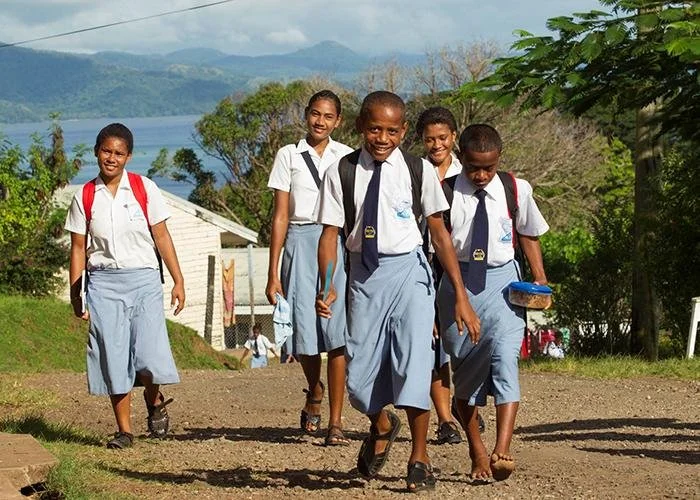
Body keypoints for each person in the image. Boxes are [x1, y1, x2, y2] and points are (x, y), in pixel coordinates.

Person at [316, 91, 479, 492]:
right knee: (359, 384)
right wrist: (328, 284)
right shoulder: (341, 172)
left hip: (410, 272)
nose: (383, 138)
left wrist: (458, 292)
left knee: (413, 365)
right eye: (375, 129)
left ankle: (419, 457)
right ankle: (383, 424)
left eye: (392, 130)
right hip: (364, 277)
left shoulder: (418, 170)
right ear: (359, 127)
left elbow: (439, 233)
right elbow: (330, 234)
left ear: (404, 131)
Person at [437, 124, 549, 482]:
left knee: (505, 359)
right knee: (465, 378)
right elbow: (436, 248)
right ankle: (477, 448)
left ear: (499, 159)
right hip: (459, 285)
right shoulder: (446, 192)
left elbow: (528, 231)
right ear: (462, 159)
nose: (482, 175)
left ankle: (503, 449)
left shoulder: (516, 188)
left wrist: (539, 275)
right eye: (474, 168)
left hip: (504, 283)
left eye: (489, 167)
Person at [65, 123, 185, 449]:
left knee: (148, 355)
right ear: (96, 152)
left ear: (129, 156)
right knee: (113, 356)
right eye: (106, 151)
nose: (112, 158)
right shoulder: (85, 196)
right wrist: (76, 293)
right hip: (103, 283)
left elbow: (161, 236)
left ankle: (154, 396)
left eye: (119, 153)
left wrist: (178, 280)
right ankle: (125, 431)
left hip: (144, 279)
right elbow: (78, 248)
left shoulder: (144, 188)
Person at [265, 90, 353, 446]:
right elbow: (281, 215)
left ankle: (335, 419)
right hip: (299, 242)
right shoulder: (288, 155)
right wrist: (273, 271)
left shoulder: (347, 156)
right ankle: (313, 389)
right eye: (315, 114)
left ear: (338, 121)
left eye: (328, 116)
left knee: (336, 334)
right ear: (306, 115)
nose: (320, 121)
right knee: (304, 334)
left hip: (336, 241)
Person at [416, 106, 464, 445]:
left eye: (443, 138)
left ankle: (464, 404)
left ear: (454, 138)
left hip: (461, 265)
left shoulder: (468, 174)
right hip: (425, 263)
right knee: (433, 346)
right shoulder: (413, 173)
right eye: (430, 139)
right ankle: (445, 419)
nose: (437, 145)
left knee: (460, 341)